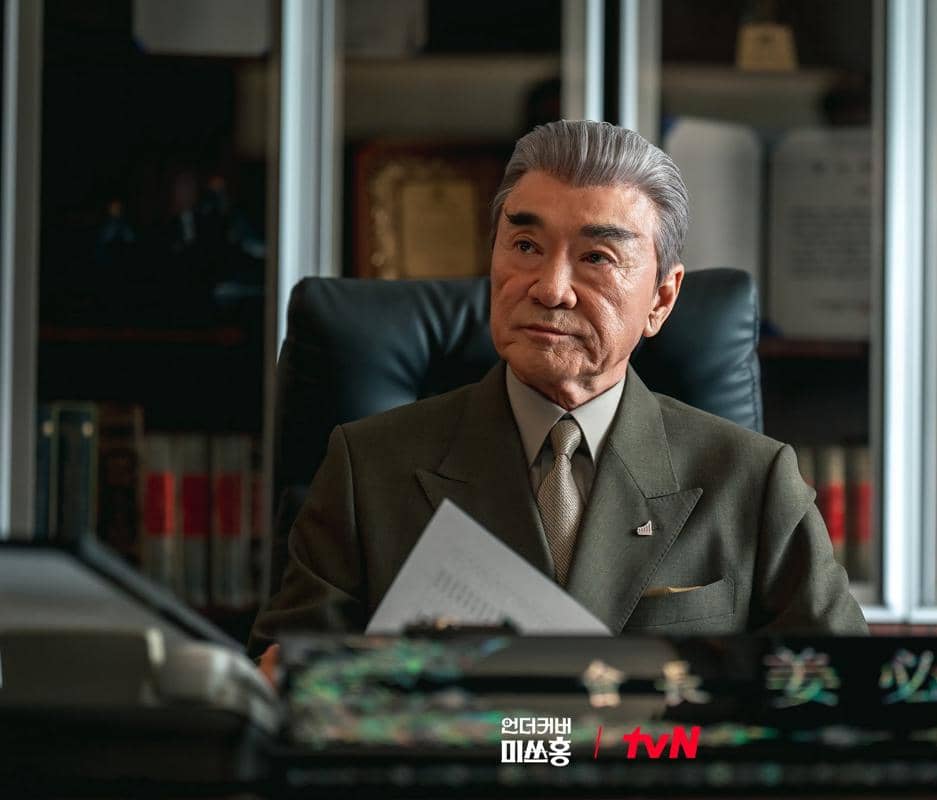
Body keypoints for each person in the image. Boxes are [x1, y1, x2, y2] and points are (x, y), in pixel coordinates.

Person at [250, 120, 866, 667]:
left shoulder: (752, 480)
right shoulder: (368, 467)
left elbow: (843, 697)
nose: (549, 288)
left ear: (661, 299)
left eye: (596, 257)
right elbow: (287, 689)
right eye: (525, 246)